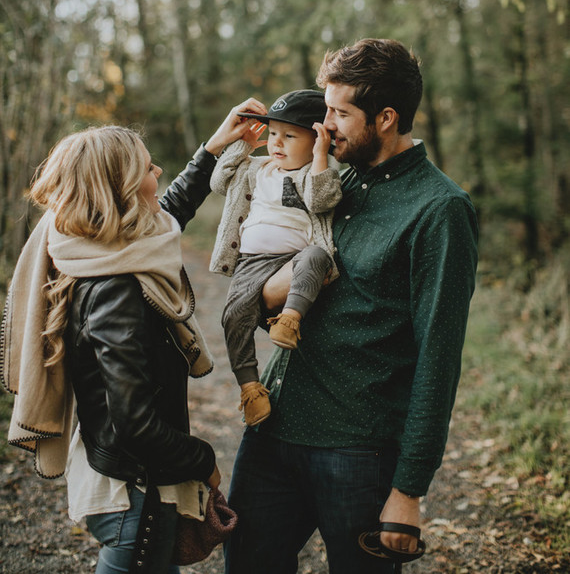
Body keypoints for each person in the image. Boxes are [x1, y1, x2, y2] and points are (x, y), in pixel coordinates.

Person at [224, 39, 479, 574]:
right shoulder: (332, 179)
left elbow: (440, 355)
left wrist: (408, 490)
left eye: (339, 113)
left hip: (359, 453)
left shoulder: (439, 209)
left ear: (386, 117)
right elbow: (268, 269)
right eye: (325, 108)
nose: (324, 125)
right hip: (273, 431)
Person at [0, 98, 267, 574]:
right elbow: (135, 425)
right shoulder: (117, 289)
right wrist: (204, 460)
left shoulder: (98, 251)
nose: (159, 171)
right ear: (121, 188)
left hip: (126, 484)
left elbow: (168, 213)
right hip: (136, 496)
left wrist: (213, 148)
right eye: (147, 168)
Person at [209, 90, 342, 427]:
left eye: (289, 135)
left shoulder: (317, 172)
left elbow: (324, 200)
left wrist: (321, 155)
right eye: (272, 134)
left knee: (317, 256)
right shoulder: (256, 169)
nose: (277, 143)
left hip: (292, 262)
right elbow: (218, 179)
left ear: (315, 140)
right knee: (233, 316)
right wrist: (241, 145)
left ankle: (290, 319)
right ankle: (251, 388)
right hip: (251, 262)